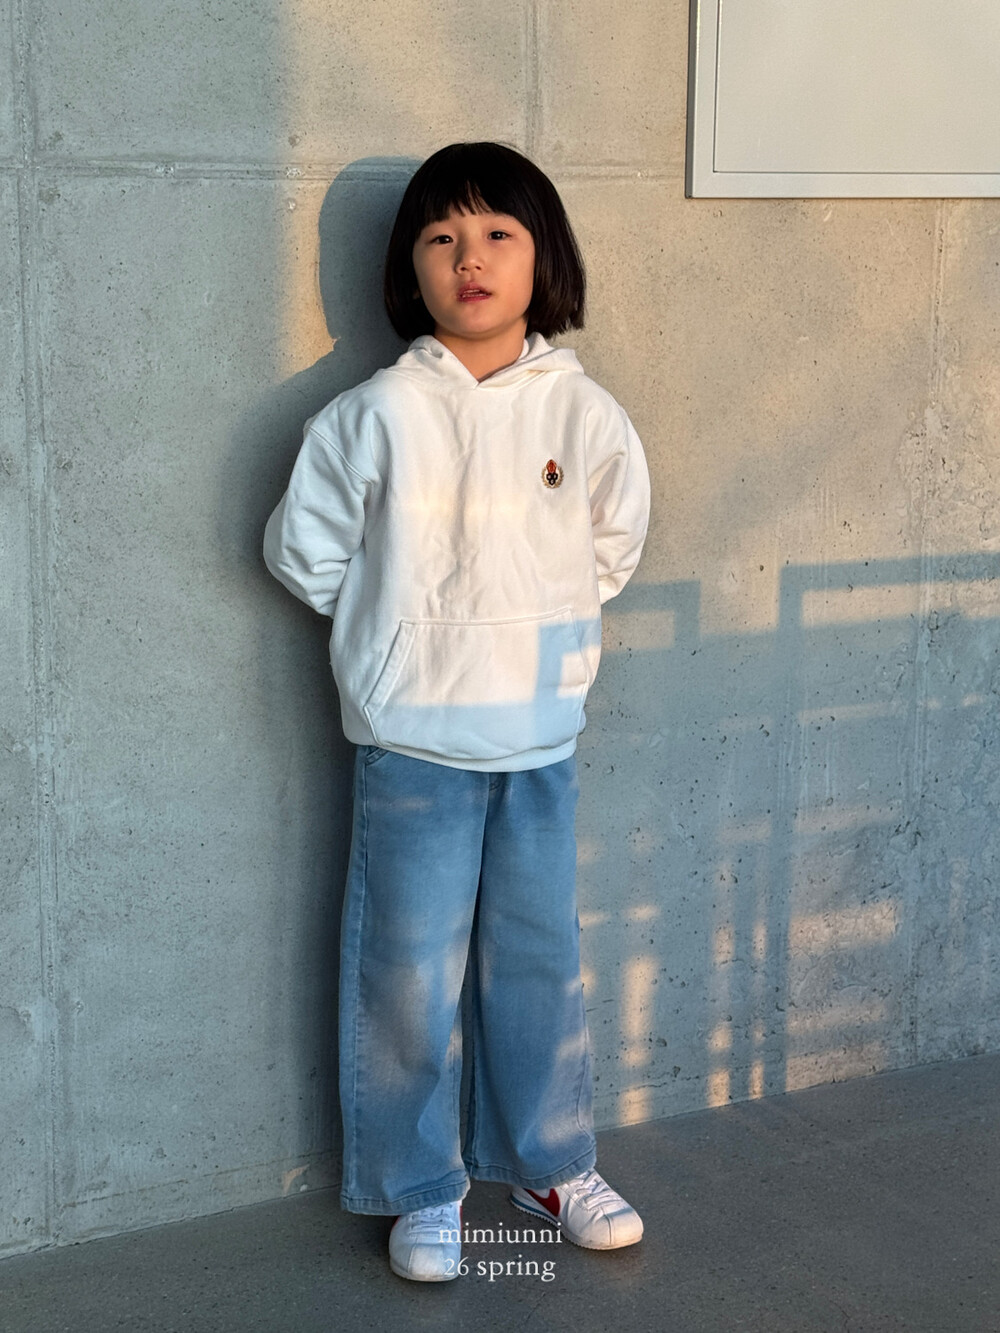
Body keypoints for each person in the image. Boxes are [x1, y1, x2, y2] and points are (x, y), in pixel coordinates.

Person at [263, 142, 651, 1282]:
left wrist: (542, 638)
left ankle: (547, 1162)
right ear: (410, 268)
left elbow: (614, 547)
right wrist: (399, 635)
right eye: (441, 237)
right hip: (413, 742)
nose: (468, 258)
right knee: (408, 971)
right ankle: (421, 1187)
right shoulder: (376, 413)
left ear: (543, 258)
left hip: (539, 736)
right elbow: (302, 551)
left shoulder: (583, 415)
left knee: (539, 958)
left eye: (496, 235)